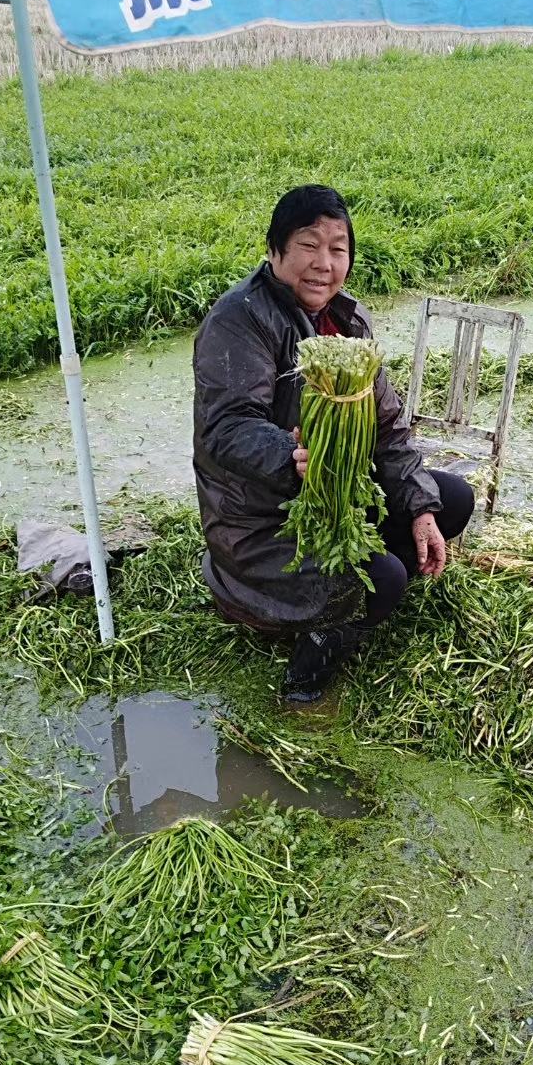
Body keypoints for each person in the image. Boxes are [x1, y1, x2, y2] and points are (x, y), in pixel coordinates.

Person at [192, 184, 475, 702]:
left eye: (337, 248)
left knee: (451, 500)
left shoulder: (349, 321)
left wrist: (419, 509)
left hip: (339, 498)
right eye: (308, 244)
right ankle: (305, 674)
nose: (324, 263)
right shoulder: (240, 319)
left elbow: (387, 429)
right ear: (276, 250)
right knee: (384, 577)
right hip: (258, 524)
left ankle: (357, 585)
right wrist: (291, 457)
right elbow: (227, 427)